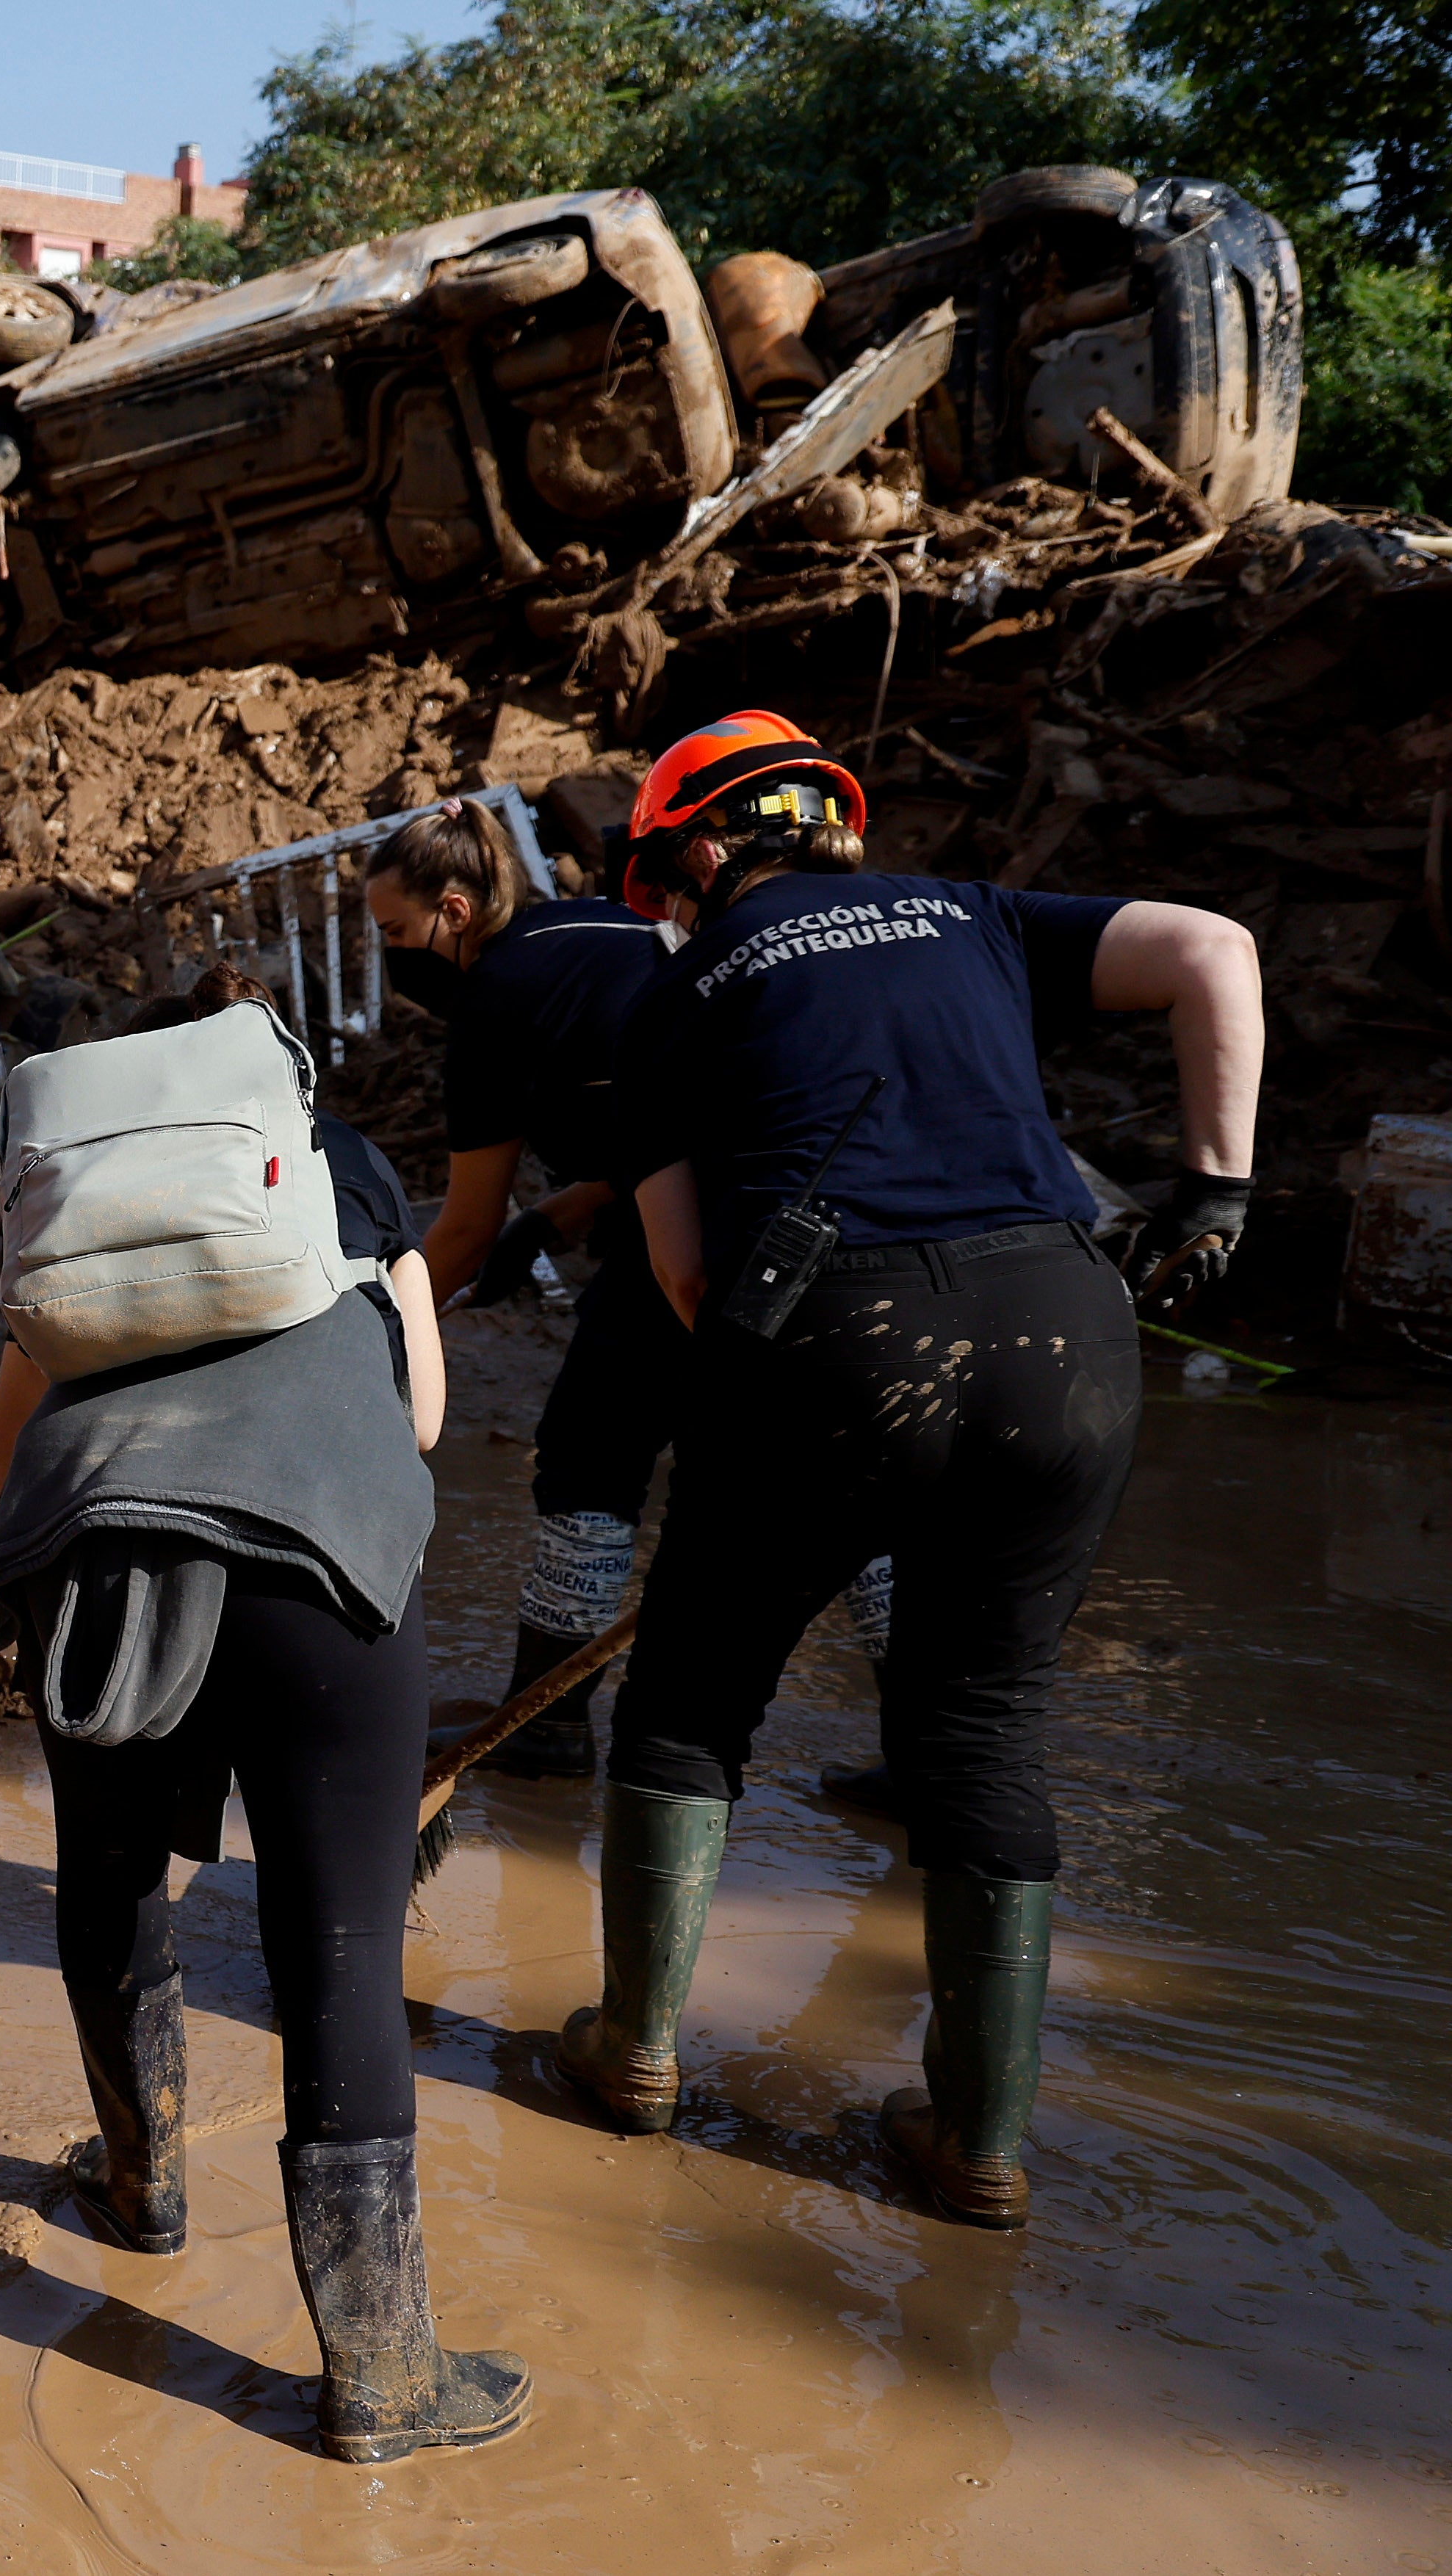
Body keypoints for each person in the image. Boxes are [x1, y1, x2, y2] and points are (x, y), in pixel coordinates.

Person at [556, 711, 1263, 2231]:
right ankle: (974, 2138)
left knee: (690, 1695)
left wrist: (797, 1427)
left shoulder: (675, 996)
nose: (664, 913)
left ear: (696, 845)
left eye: (663, 882)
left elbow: (684, 1278)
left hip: (834, 1327)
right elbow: (1214, 949)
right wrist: (1215, 1189)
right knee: (982, 1726)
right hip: (1066, 1328)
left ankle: (635, 2051)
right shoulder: (980, 914)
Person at [0, 962, 527, 2466]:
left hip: (90, 1533)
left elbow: (20, 1392)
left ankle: (140, 2189)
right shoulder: (333, 1158)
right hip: (319, 1539)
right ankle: (384, 2377)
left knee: (107, 1870)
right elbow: (414, 1408)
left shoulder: (69, 1174)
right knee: (335, 1937)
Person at [364, 800, 895, 1779]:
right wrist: (557, 1219)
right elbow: (677, 1107)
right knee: (847, 1475)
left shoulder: (493, 1002)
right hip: (825, 1213)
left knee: (590, 1454)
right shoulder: (598, 927)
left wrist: (377, 1332)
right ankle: (936, 1747)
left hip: (706, 1231)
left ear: (452, 910)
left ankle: (551, 1725)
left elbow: (464, 1227)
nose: (393, 955)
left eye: (397, 932)